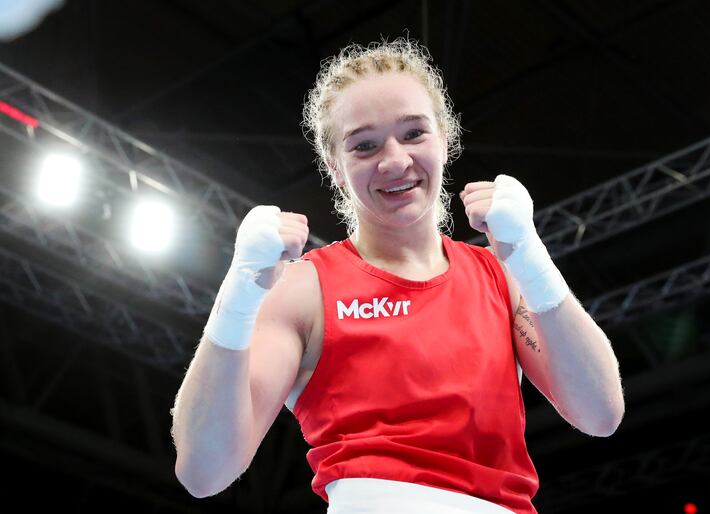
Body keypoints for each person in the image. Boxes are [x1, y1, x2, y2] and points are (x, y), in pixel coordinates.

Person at [171, 38, 625, 514]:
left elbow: (601, 414)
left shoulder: (500, 277)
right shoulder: (305, 290)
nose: (394, 160)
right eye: (365, 145)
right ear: (336, 168)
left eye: (413, 134)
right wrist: (239, 292)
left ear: (444, 138)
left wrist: (531, 256)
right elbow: (204, 473)